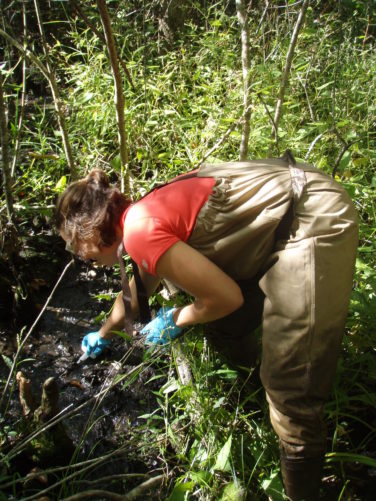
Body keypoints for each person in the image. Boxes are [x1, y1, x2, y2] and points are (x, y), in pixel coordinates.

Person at [55, 153, 358, 500]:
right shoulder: (141, 215)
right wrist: (103, 334)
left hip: (311, 220)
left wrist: (176, 319)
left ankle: (299, 487)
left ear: (91, 232)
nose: (81, 256)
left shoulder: (140, 229)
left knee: (290, 386)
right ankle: (255, 407)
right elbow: (134, 294)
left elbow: (225, 298)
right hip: (288, 216)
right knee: (224, 327)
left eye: (78, 246)